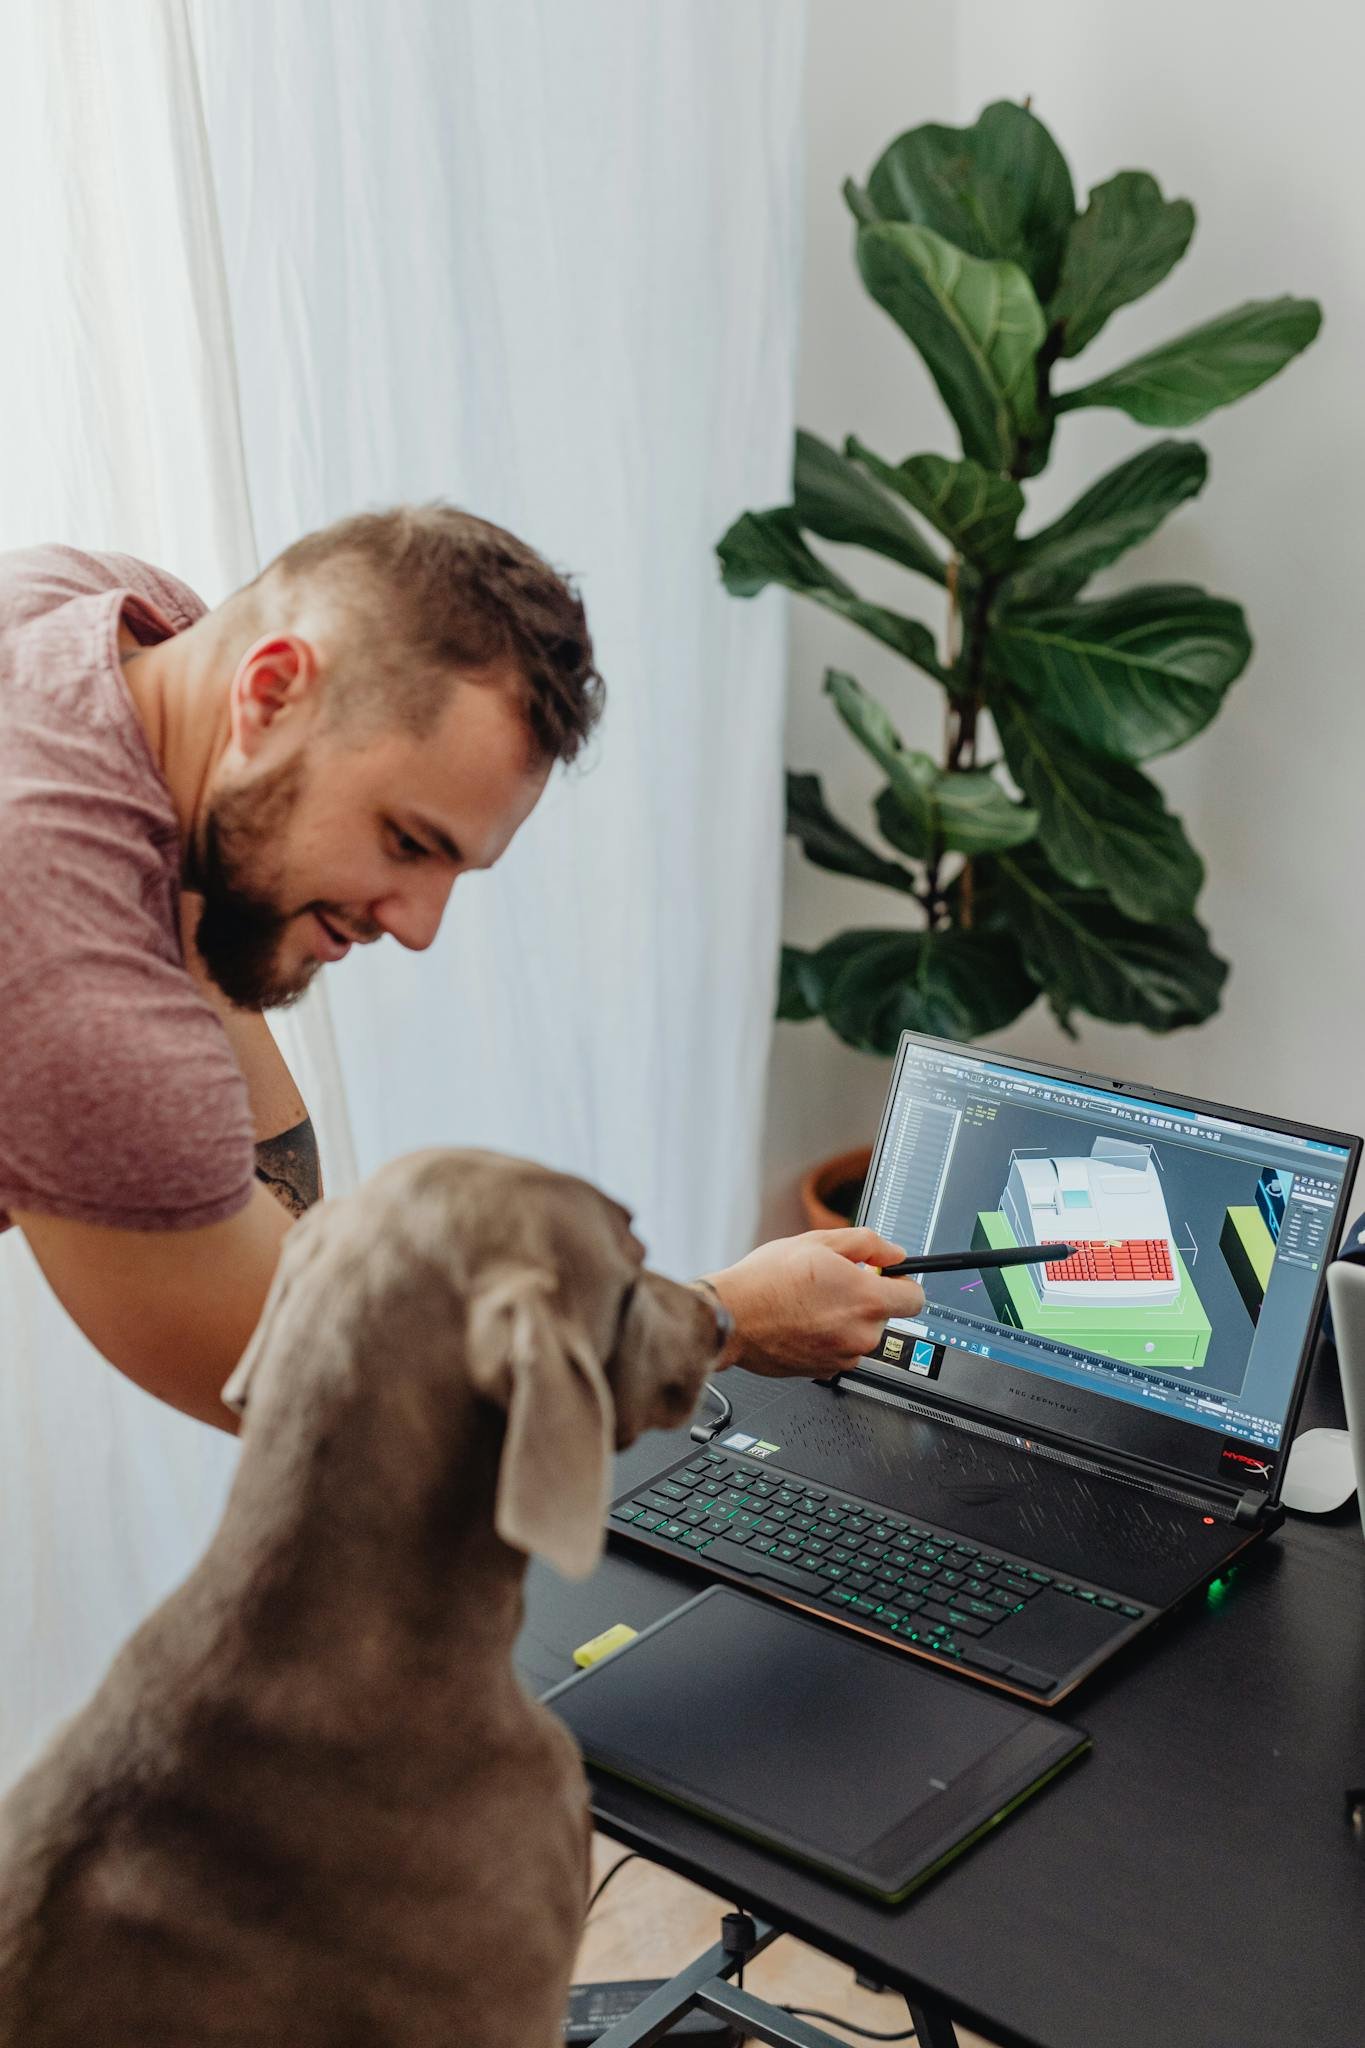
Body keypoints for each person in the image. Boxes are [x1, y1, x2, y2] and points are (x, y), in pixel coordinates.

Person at [0, 507, 925, 1432]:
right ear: (270, 691)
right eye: (407, 841)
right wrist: (728, 1316)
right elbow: (322, 1388)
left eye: (453, 868)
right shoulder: (72, 960)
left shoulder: (119, 621)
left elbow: (295, 1257)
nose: (418, 927)